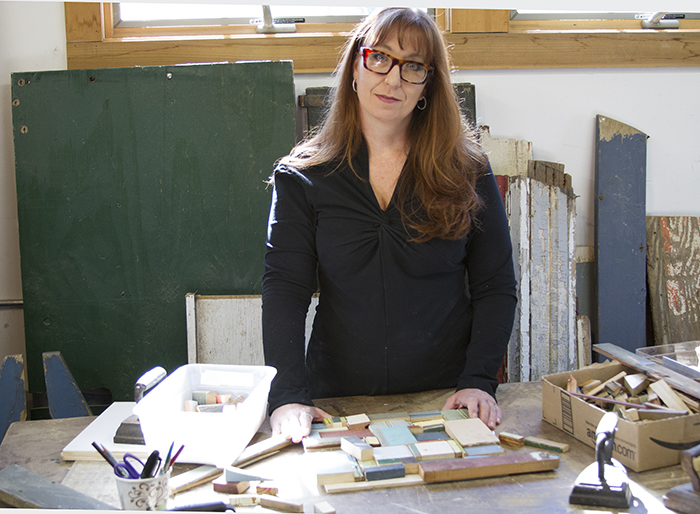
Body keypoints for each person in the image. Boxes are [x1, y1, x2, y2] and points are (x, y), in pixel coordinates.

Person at [262, 7, 517, 443]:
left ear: (427, 85)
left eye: (413, 66)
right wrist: (287, 395)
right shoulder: (301, 177)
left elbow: (496, 284)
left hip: (445, 401)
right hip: (337, 404)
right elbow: (286, 290)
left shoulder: (467, 170)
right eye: (379, 58)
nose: (393, 78)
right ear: (355, 69)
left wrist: (478, 380)